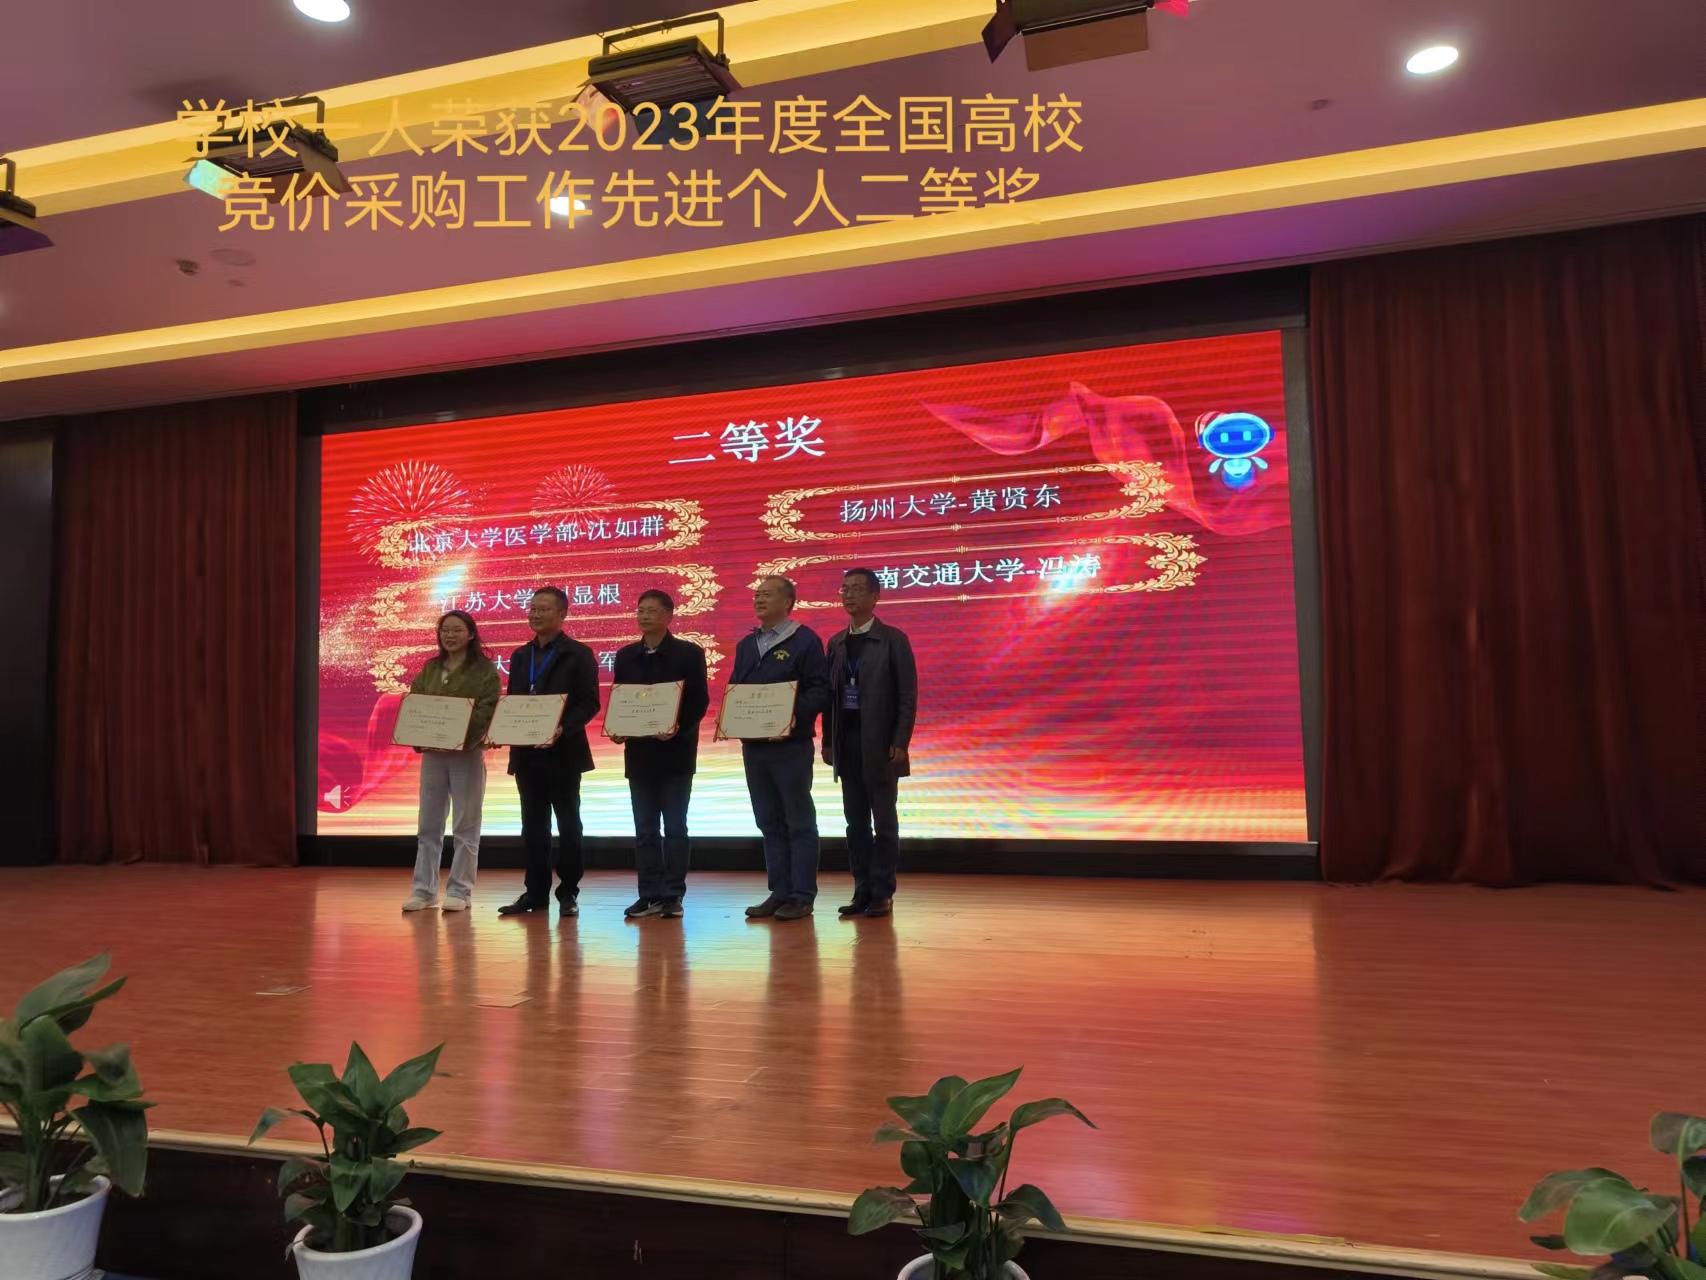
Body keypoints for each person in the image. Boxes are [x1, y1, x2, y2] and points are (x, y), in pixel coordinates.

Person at [725, 575, 830, 922]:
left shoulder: (805, 640)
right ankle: (779, 891)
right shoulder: (746, 644)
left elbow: (820, 691)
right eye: (757, 594)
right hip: (755, 747)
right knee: (768, 821)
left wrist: (791, 715)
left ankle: (801, 895)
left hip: (790, 746)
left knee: (798, 820)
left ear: (788, 602)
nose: (759, 599)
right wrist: (731, 718)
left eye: (768, 594)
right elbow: (737, 689)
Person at [497, 587, 601, 918]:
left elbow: (589, 703)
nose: (536, 614)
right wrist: (503, 728)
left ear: (562, 614)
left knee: (569, 825)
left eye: (544, 609)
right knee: (533, 827)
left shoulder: (579, 654)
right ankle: (535, 893)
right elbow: (515, 701)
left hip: (564, 753)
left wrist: (562, 728)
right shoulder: (520, 655)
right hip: (527, 755)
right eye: (532, 608)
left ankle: (568, 891)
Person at [823, 569, 918, 918]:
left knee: (885, 821)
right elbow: (830, 698)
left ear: (875, 596)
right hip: (847, 743)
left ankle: (882, 892)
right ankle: (861, 890)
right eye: (845, 589)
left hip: (880, 743)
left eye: (857, 589)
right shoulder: (836, 643)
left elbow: (907, 695)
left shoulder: (893, 639)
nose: (849, 595)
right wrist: (828, 741)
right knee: (855, 823)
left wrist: (900, 740)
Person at [611, 590, 709, 920]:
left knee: (676, 828)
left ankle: (673, 895)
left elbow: (699, 702)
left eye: (652, 611)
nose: (644, 616)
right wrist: (618, 727)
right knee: (645, 830)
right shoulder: (626, 656)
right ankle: (648, 894)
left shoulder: (689, 653)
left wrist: (678, 728)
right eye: (640, 610)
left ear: (669, 616)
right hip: (639, 755)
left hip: (676, 754)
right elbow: (622, 699)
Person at [403, 610, 502, 912]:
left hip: (466, 753)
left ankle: (461, 890)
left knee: (465, 824)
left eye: (457, 630)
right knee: (428, 824)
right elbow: (416, 703)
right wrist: (420, 735)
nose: (450, 635)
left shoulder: (484, 671)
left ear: (471, 634)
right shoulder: (431, 668)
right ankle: (423, 890)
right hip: (433, 754)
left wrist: (459, 738)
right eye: (445, 629)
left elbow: (487, 710)